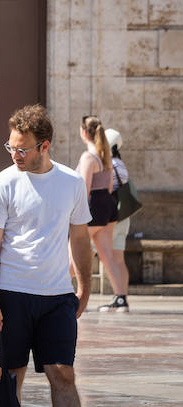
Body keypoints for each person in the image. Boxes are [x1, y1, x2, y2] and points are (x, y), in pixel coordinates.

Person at [0, 104, 125, 407]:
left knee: (64, 373)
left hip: (57, 295)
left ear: (44, 145)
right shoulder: (2, 183)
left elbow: (80, 236)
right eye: (10, 146)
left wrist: (85, 286)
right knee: (10, 376)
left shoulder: (71, 183)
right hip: (12, 294)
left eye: (22, 148)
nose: (14, 154)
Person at [77, 116, 128, 313]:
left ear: (84, 133)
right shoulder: (105, 155)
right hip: (108, 206)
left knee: (75, 250)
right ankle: (121, 298)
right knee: (107, 256)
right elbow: (108, 187)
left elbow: (84, 187)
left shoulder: (88, 157)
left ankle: (60, 291)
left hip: (93, 206)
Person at [105, 128, 132, 311]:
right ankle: (121, 298)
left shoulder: (106, 164)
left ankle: (60, 293)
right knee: (118, 259)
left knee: (80, 256)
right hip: (123, 218)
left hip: (107, 218)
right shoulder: (120, 164)